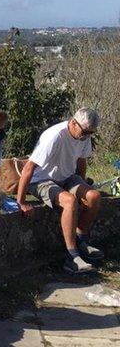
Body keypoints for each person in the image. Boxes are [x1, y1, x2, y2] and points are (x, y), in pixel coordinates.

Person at [16, 108, 104, 274]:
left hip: (67, 177)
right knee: (69, 201)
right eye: (84, 131)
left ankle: (81, 239)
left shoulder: (84, 135)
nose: (86, 136)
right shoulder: (55, 136)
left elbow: (81, 161)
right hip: (41, 180)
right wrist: (21, 201)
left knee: (94, 196)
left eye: (90, 133)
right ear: (72, 122)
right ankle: (72, 256)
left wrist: (82, 186)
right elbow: (29, 167)